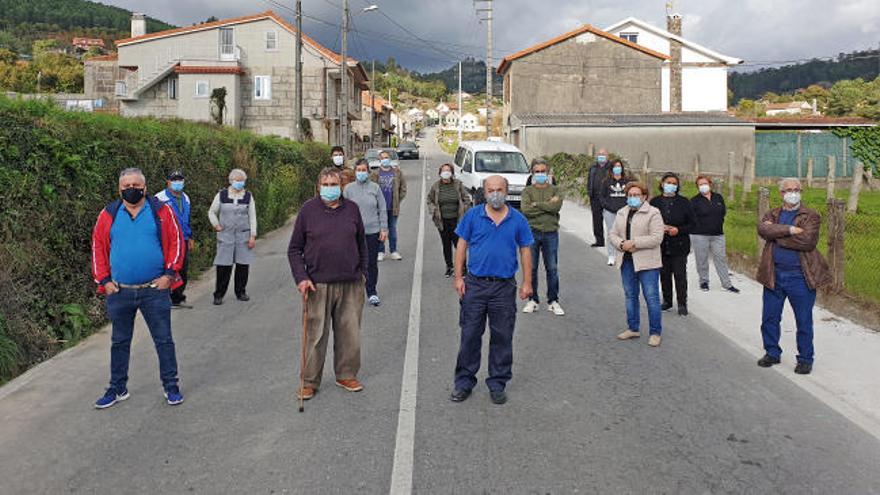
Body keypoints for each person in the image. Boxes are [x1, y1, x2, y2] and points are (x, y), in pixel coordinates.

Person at [91, 168, 185, 408]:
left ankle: (171, 386)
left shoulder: (161, 211)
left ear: (144, 186)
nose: (130, 189)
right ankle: (117, 388)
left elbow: (176, 241)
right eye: (126, 186)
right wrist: (104, 280)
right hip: (120, 291)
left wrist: (169, 275)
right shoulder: (108, 214)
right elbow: (98, 248)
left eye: (135, 184)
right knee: (119, 341)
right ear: (119, 189)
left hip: (154, 290)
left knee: (163, 340)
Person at [451, 175, 534, 406]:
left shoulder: (518, 220)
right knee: (470, 335)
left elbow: (526, 251)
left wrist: (528, 282)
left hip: (504, 287)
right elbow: (461, 246)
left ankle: (497, 383)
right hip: (475, 285)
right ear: (484, 192)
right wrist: (459, 277)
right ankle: (464, 382)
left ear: (506, 192)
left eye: (499, 189)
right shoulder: (472, 216)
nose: (495, 193)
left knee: (502, 336)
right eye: (490, 190)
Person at [288, 168, 368, 400]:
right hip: (317, 284)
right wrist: (301, 278)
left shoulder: (352, 209)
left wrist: (363, 273)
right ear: (318, 186)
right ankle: (309, 381)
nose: (331, 188)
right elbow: (294, 249)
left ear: (341, 186)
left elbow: (362, 243)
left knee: (349, 333)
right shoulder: (307, 211)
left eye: (334, 184)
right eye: (326, 184)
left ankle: (346, 374)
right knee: (316, 335)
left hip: (351, 283)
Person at [757, 178, 831, 375]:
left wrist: (777, 236)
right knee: (770, 318)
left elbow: (807, 241)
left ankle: (805, 358)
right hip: (774, 274)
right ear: (781, 193)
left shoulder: (810, 215)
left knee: (803, 320)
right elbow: (763, 229)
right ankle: (772, 352)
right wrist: (789, 230)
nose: (793, 193)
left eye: (797, 190)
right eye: (789, 190)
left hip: (800, 277)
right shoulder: (772, 213)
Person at [609, 182, 665, 347]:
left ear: (644, 196)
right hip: (626, 261)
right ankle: (633, 327)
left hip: (647, 263)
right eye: (630, 195)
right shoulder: (621, 212)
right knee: (630, 295)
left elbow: (656, 237)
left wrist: (634, 243)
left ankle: (655, 332)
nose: (633, 198)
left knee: (652, 297)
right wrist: (621, 244)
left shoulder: (653, 213)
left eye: (636, 195)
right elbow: (612, 233)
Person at [520, 158, 565, 316]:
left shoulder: (556, 190)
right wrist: (547, 205)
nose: (540, 174)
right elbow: (525, 211)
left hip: (551, 232)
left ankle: (553, 301)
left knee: (552, 268)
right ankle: (533, 300)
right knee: (531, 268)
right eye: (537, 171)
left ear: (548, 173)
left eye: (542, 171)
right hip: (531, 233)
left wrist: (536, 204)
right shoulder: (527, 191)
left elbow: (556, 207)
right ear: (532, 173)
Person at [343, 158, 388, 306]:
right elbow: (342, 211)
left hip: (372, 232)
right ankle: (354, 292)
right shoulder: (348, 189)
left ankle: (372, 291)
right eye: (358, 170)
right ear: (354, 172)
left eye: (364, 170)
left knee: (371, 264)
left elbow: (382, 208)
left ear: (368, 172)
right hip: (353, 234)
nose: (361, 173)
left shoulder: (375, 188)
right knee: (353, 263)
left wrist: (384, 228)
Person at [208, 168, 257, 305]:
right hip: (226, 235)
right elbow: (212, 212)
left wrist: (252, 235)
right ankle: (218, 294)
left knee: (243, 266)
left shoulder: (248, 196)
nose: (239, 183)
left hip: (243, 235)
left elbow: (252, 216)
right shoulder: (222, 195)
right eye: (237, 180)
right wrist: (216, 225)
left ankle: (241, 292)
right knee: (223, 266)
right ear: (231, 181)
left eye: (242, 181)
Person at [649, 172, 695, 316]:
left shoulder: (684, 202)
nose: (671, 185)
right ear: (662, 184)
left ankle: (682, 303)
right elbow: (648, 221)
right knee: (664, 274)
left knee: (680, 275)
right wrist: (659, 228)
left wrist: (678, 230)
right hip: (661, 245)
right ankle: (667, 301)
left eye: (674, 183)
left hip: (679, 245)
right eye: (668, 182)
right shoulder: (655, 202)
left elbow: (693, 224)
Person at [690, 175, 740, 293]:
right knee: (702, 259)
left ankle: (726, 284)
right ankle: (704, 282)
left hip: (718, 235)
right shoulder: (694, 201)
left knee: (721, 258)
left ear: (710, 184)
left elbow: (723, 212)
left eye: (705, 183)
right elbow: (691, 218)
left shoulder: (718, 197)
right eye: (700, 184)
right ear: (697, 187)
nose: (703, 186)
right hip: (700, 235)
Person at [426, 163, 472, 278]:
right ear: (440, 173)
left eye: (448, 170)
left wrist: (464, 211)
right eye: (443, 171)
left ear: (451, 173)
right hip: (442, 221)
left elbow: (466, 199)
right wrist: (434, 211)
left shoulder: (458, 185)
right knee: (446, 245)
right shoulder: (436, 186)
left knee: (459, 245)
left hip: (457, 221)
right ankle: (449, 266)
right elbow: (429, 200)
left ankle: (463, 267)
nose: (446, 173)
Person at [155, 170, 194, 306]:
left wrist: (190, 236)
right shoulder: (160, 198)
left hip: (183, 239)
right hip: (167, 240)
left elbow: (187, 219)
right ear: (168, 182)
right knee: (168, 267)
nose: (177, 183)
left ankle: (177, 297)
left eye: (180, 180)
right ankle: (164, 296)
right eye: (174, 180)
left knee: (183, 268)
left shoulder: (186, 198)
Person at [371, 150, 407, 261]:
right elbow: (371, 190)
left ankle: (393, 251)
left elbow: (403, 188)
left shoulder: (397, 172)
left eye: (386, 157)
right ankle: (380, 251)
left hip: (393, 207)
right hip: (379, 208)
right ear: (379, 160)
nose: (385, 160)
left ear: (390, 159)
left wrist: (397, 200)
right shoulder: (375, 174)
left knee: (392, 229)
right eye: (382, 158)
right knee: (381, 229)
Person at [600, 159, 631, 266]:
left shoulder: (627, 182)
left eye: (619, 166)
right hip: (610, 212)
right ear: (611, 168)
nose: (617, 168)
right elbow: (602, 197)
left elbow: (630, 195)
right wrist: (608, 207)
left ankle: (622, 254)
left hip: (624, 212)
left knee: (624, 232)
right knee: (611, 233)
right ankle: (611, 255)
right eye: (615, 166)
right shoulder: (606, 181)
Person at [586, 148, 610, 247]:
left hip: (607, 197)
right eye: (599, 154)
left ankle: (613, 241)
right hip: (595, 197)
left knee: (610, 220)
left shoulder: (611, 168)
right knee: (596, 220)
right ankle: (599, 240)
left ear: (607, 156)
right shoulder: (593, 167)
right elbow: (589, 180)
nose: (601, 156)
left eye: (603, 154)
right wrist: (589, 191)